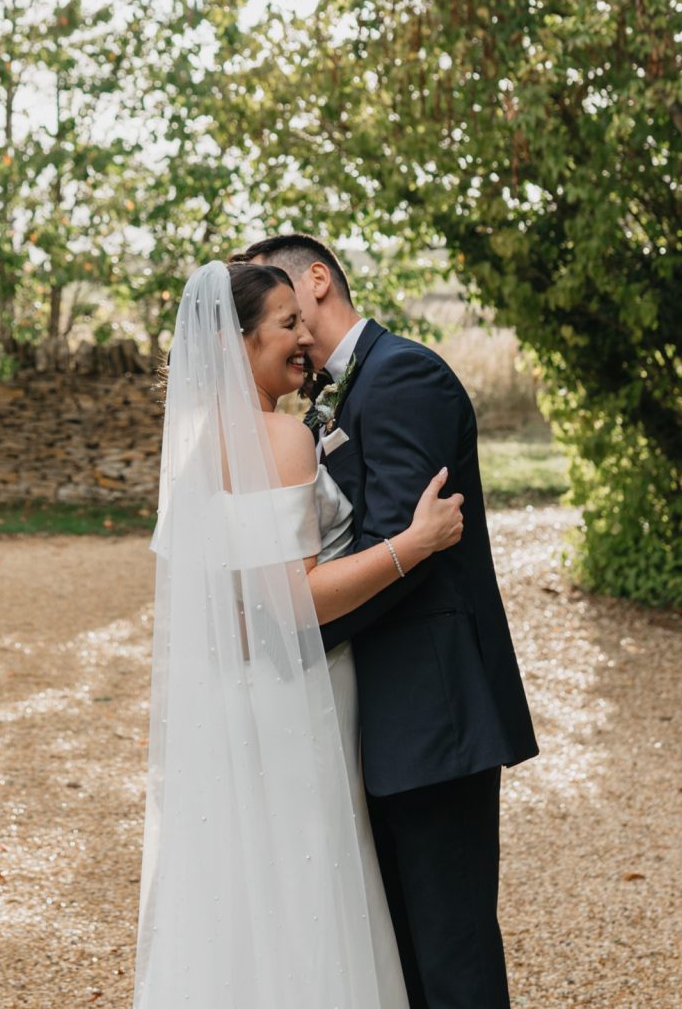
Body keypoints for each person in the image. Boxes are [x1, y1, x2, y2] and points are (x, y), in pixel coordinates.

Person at [134, 261, 468, 1009]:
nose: (302, 336)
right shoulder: (279, 438)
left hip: (231, 701)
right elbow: (290, 604)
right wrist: (412, 543)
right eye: (285, 324)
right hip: (292, 701)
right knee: (308, 884)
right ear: (238, 342)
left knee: (244, 894)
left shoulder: (192, 454)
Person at [241, 233, 539, 1009]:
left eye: (280, 295)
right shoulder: (333, 395)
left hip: (433, 715)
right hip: (377, 718)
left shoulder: (404, 374)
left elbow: (405, 552)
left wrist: (295, 629)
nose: (281, 324)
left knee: (455, 956)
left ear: (316, 278)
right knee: (403, 957)